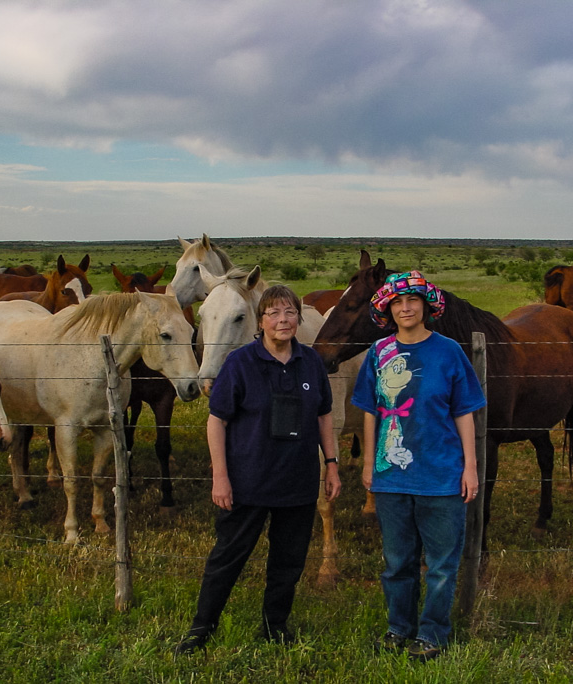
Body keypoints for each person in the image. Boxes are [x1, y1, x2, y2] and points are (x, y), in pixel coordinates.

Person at [174, 284, 343, 655]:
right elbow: (216, 421)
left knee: (288, 562)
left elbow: (324, 415)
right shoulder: (240, 363)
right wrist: (220, 476)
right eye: (274, 313)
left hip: (297, 482)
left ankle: (275, 625)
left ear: (299, 317)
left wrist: (331, 464)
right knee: (228, 557)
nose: (282, 320)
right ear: (261, 320)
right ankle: (201, 628)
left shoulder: (311, 362)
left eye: (289, 312)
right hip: (247, 481)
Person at [350, 270, 485, 662]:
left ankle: (433, 634)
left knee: (441, 564)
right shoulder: (379, 353)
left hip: (442, 473)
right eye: (397, 302)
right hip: (391, 473)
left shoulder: (449, 351)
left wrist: (470, 466)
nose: (405, 308)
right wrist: (369, 465)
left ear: (427, 306)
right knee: (397, 563)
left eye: (412, 300)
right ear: (388, 309)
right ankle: (398, 629)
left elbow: (464, 413)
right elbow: (372, 412)